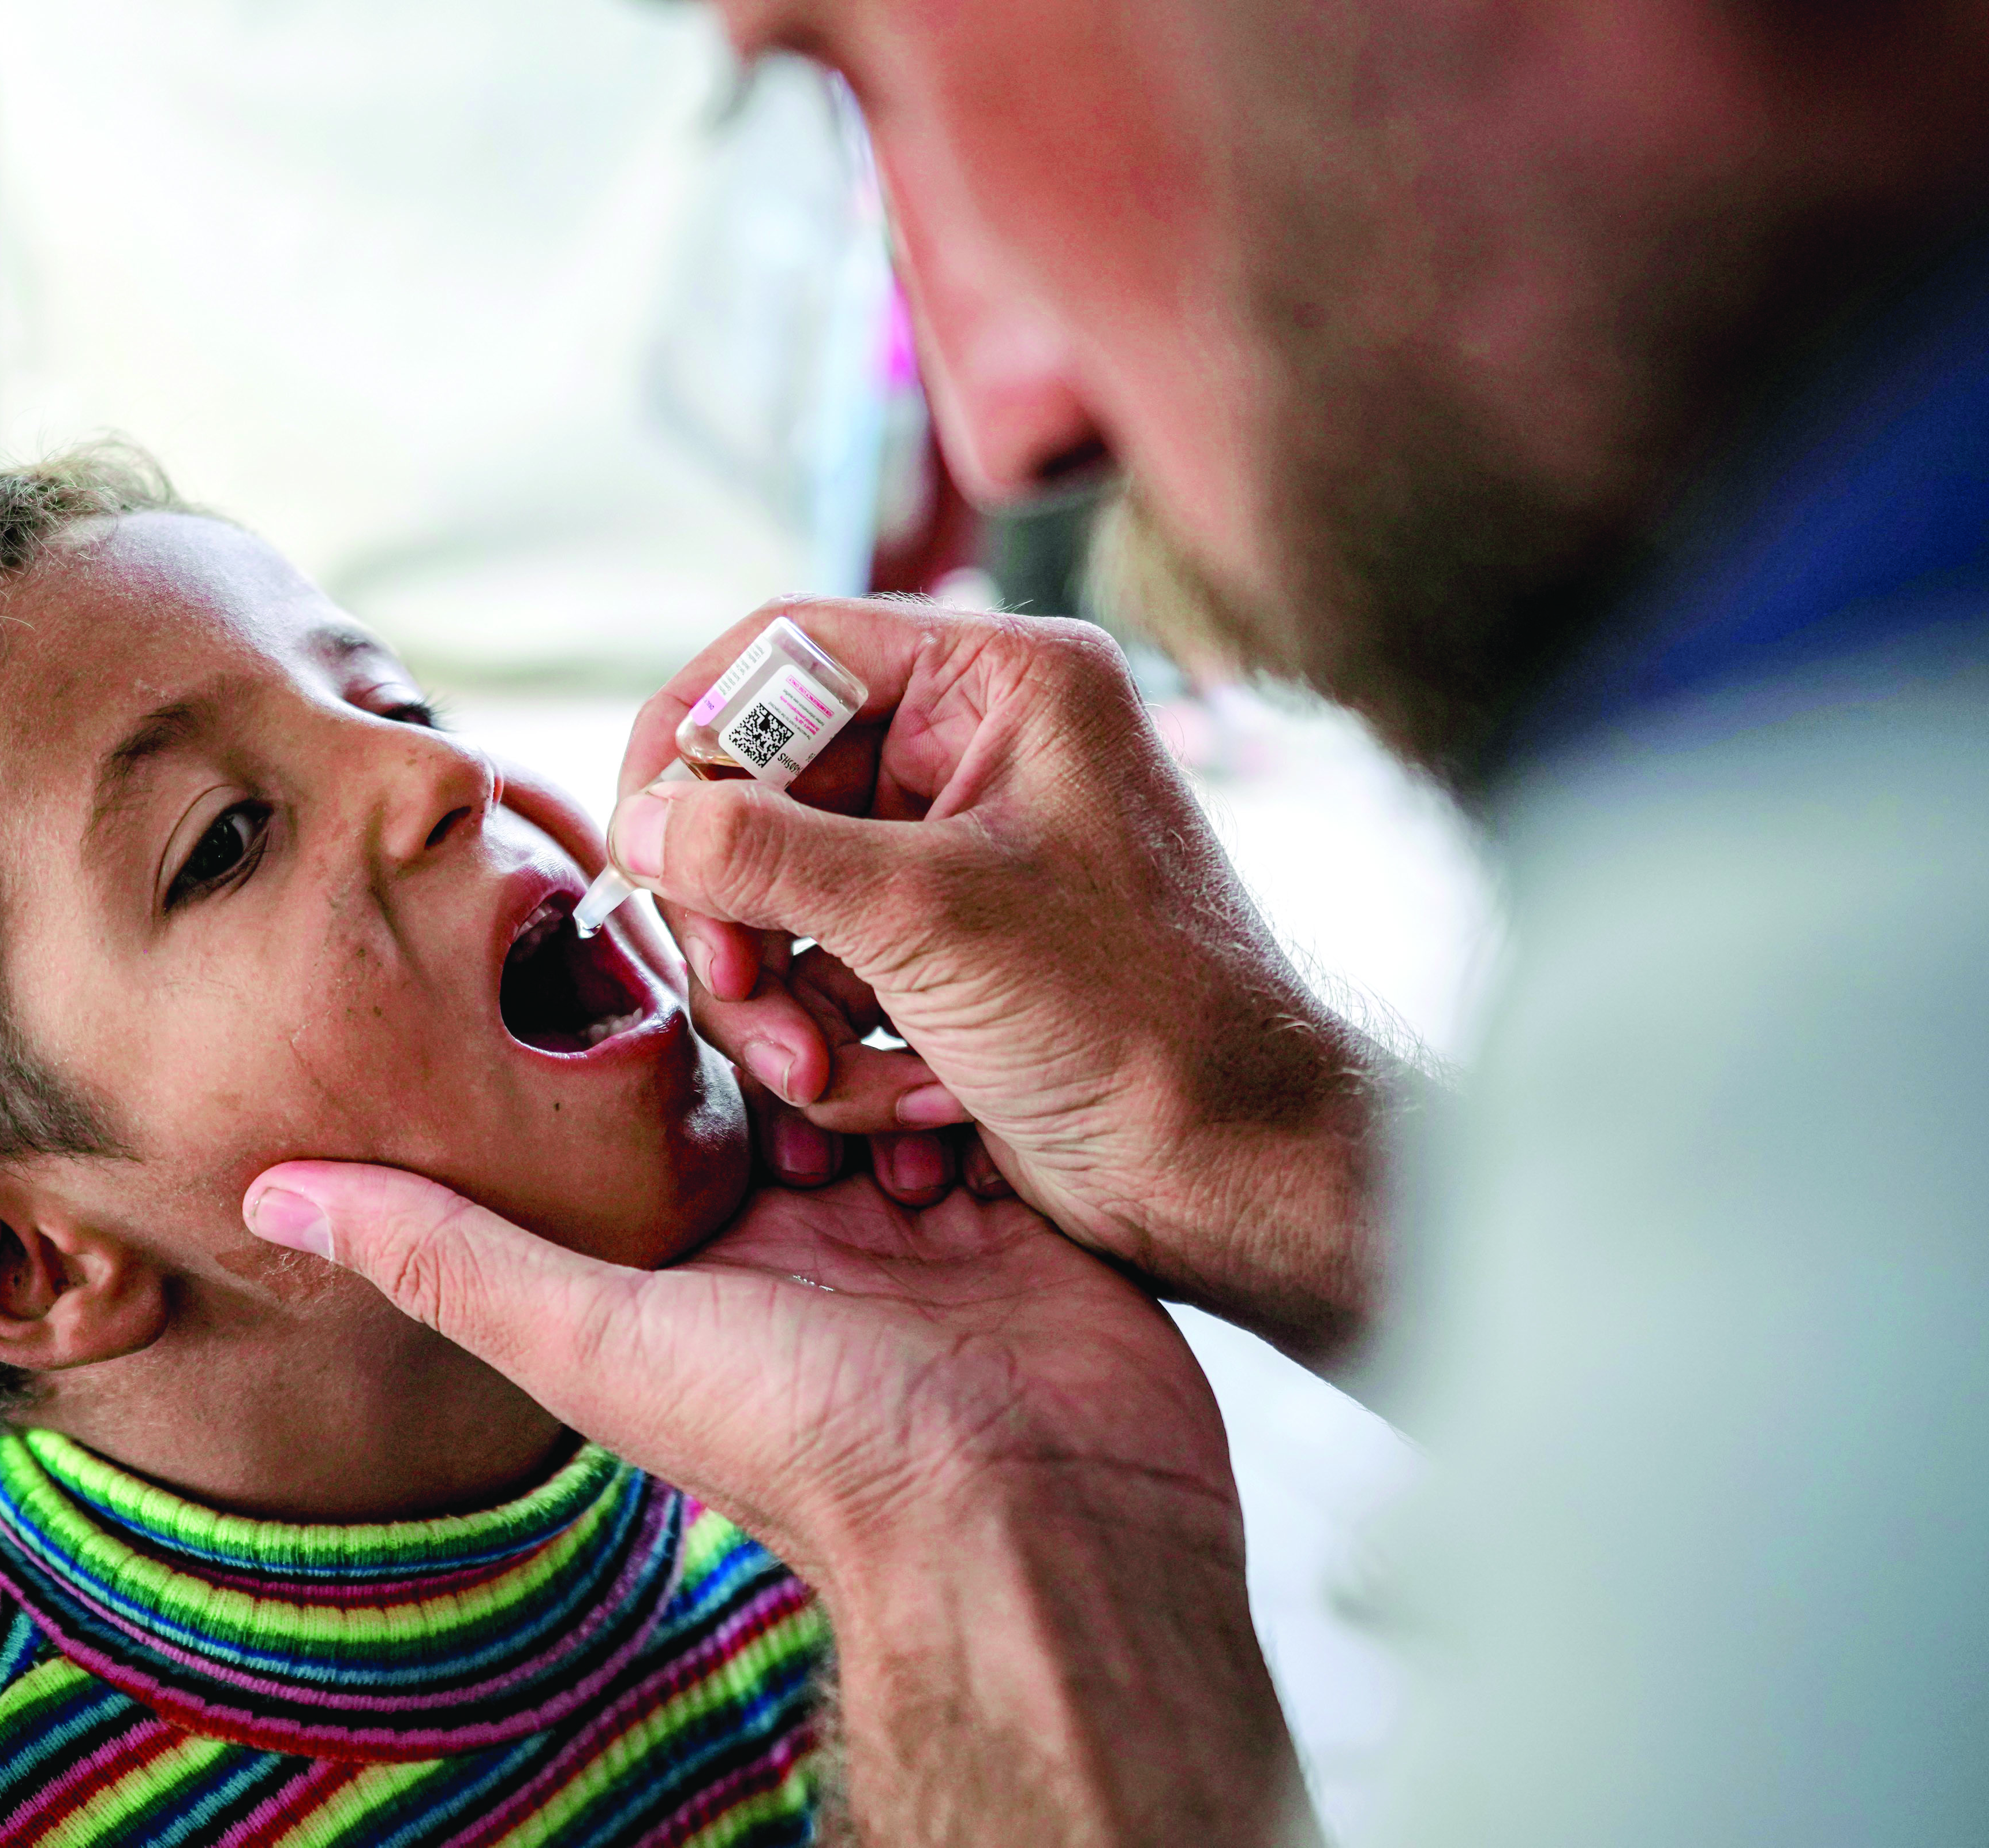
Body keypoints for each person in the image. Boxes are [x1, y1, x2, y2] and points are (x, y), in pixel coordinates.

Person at [238, 2, 1989, 1842]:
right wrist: (1250, 1135)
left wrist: (974, 1520)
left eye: (882, 72)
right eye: (220, 844)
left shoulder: (1834, 962)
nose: (1009, 427)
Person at [0, 450, 849, 1847]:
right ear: (30, 1263)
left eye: (395, 704)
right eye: (227, 841)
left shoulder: (823, 1389)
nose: (446, 770)